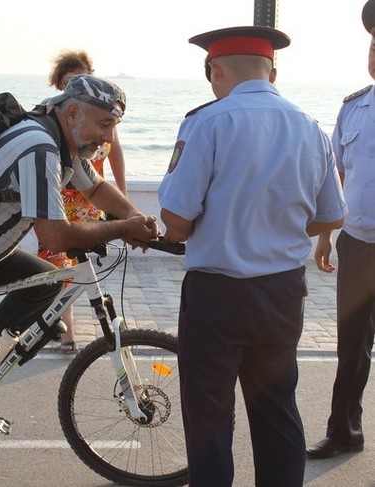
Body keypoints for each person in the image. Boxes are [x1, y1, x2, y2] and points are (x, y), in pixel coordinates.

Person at [0, 74, 159, 486]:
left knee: (48, 282)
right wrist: (121, 229)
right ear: (73, 112)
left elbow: (98, 189)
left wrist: (133, 219)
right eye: (104, 125)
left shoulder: (64, 141)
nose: (109, 137)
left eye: (115, 127)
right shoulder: (39, 146)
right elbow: (53, 235)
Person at [158, 26, 347, 486]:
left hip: (217, 295)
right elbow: (331, 216)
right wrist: (277, 226)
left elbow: (176, 219)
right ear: (273, 71)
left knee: (209, 422)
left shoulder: (207, 122)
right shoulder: (310, 126)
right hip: (282, 292)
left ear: (215, 70)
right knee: (277, 412)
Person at [307, 0, 375, 460]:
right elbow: (338, 178)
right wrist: (327, 235)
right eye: (374, 44)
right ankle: (343, 430)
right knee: (350, 345)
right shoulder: (354, 109)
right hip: (359, 244)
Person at [38, 49, 127, 353]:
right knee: (53, 269)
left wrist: (127, 210)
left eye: (83, 78)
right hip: (58, 200)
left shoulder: (91, 130)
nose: (108, 135)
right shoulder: (50, 131)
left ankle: (56, 325)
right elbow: (54, 234)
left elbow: (104, 173)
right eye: (71, 81)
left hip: (86, 200)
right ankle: (61, 329)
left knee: (72, 269)